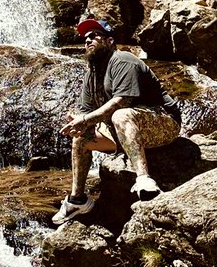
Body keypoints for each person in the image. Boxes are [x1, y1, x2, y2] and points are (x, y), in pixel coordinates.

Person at [53, 17, 181, 226]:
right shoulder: (91, 74)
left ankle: (143, 180)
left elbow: (121, 102)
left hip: (163, 122)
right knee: (81, 136)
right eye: (85, 38)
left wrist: (85, 118)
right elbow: (87, 113)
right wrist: (78, 120)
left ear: (110, 41)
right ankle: (77, 200)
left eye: (94, 35)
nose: (88, 40)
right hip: (121, 130)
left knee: (120, 115)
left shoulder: (123, 59)